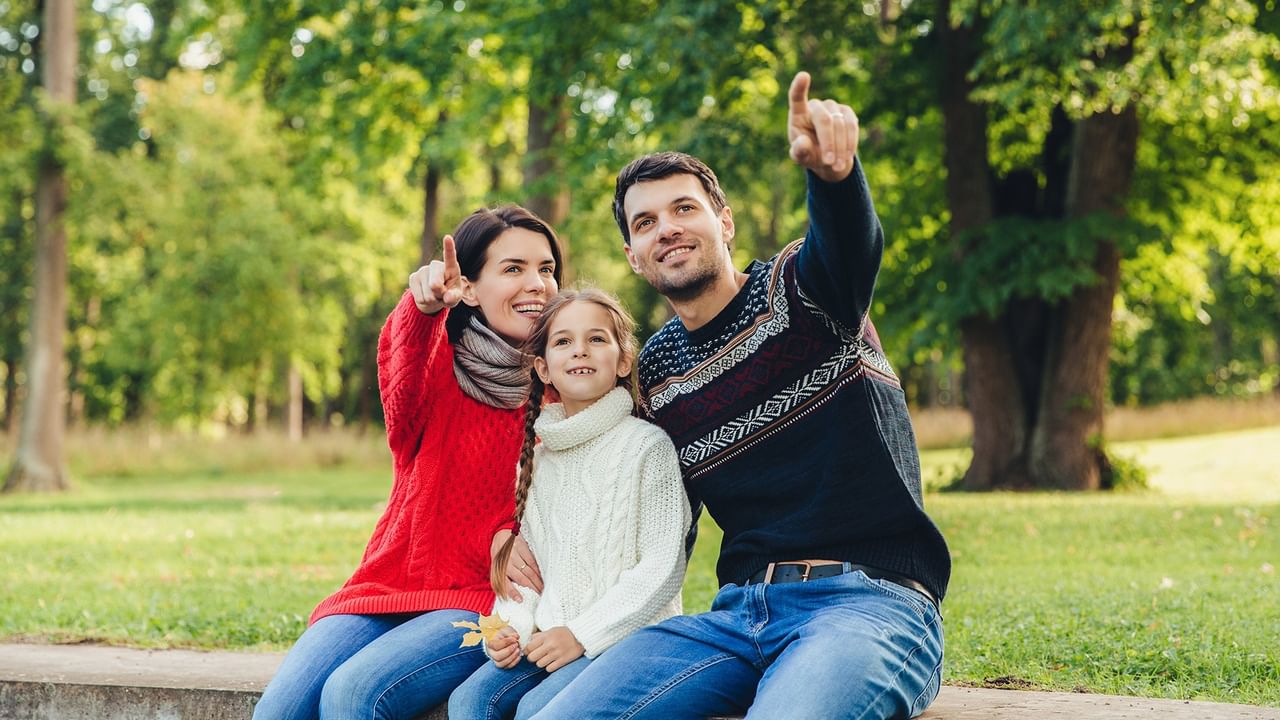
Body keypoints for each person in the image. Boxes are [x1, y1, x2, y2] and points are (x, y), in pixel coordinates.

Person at [531, 71, 951, 720]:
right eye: (646, 222)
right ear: (634, 256)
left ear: (723, 223)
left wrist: (834, 179)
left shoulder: (802, 293)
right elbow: (605, 460)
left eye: (684, 209)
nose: (666, 228)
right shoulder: (660, 372)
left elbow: (848, 246)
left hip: (868, 602)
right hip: (735, 620)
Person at [253, 205, 563, 720]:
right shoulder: (439, 370)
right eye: (513, 269)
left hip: (480, 600)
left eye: (547, 269)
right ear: (468, 286)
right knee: (278, 713)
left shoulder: (563, 387)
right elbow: (404, 366)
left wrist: (508, 532)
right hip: (386, 585)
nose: (536, 284)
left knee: (354, 695)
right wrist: (420, 309)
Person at [448, 288, 692, 720]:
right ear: (543, 367)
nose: (580, 350)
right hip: (551, 639)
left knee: (538, 710)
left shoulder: (646, 447)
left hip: (625, 640)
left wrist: (581, 633)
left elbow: (661, 567)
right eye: (563, 341)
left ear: (623, 360)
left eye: (597, 339)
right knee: (469, 701)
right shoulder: (537, 462)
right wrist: (510, 629)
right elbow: (528, 576)